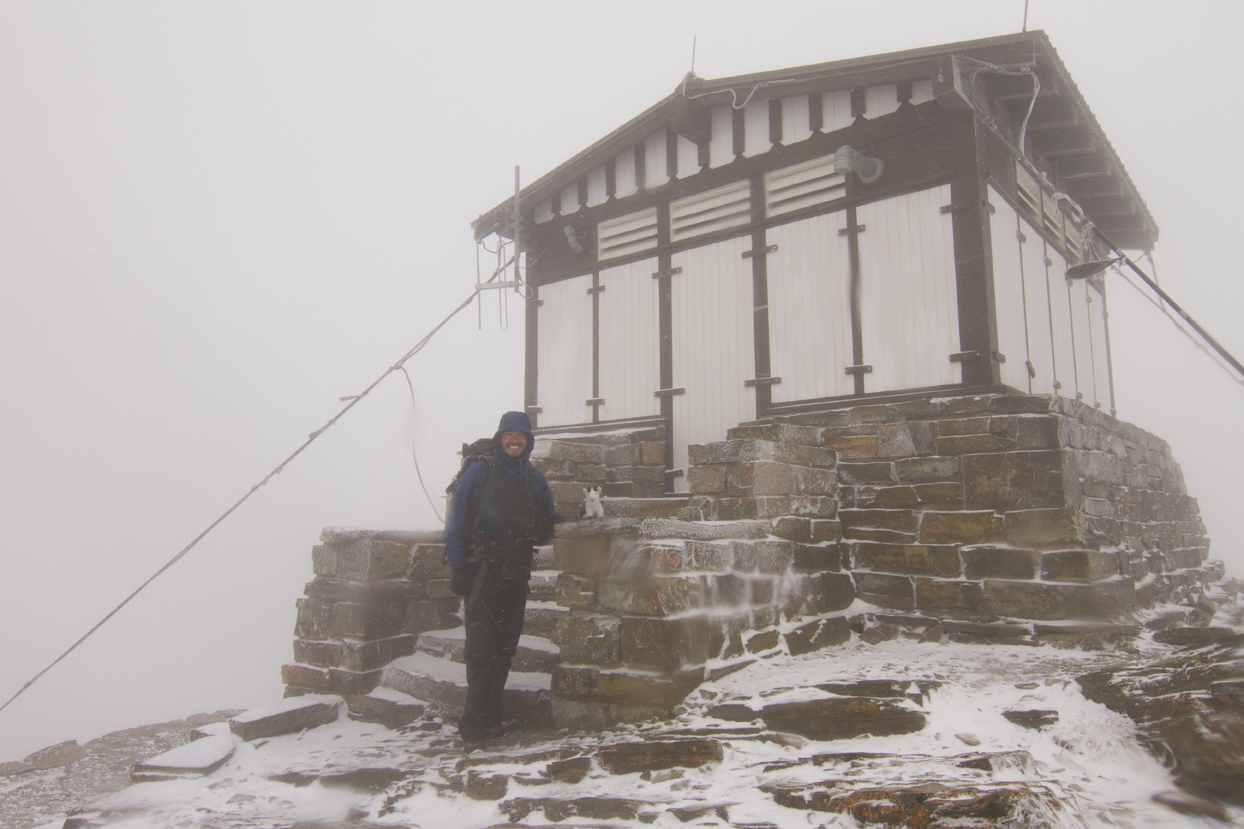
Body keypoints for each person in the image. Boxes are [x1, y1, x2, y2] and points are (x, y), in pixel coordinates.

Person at [445, 410, 558, 750]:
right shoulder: (481, 470)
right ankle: (473, 727)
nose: (514, 440)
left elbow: (550, 517)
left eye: (520, 436)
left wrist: (583, 516)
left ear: (528, 442)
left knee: (504, 648)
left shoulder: (532, 477)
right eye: (509, 434)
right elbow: (456, 521)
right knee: (481, 650)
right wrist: (459, 567)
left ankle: (492, 717)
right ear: (500, 438)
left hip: (515, 572)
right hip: (482, 573)